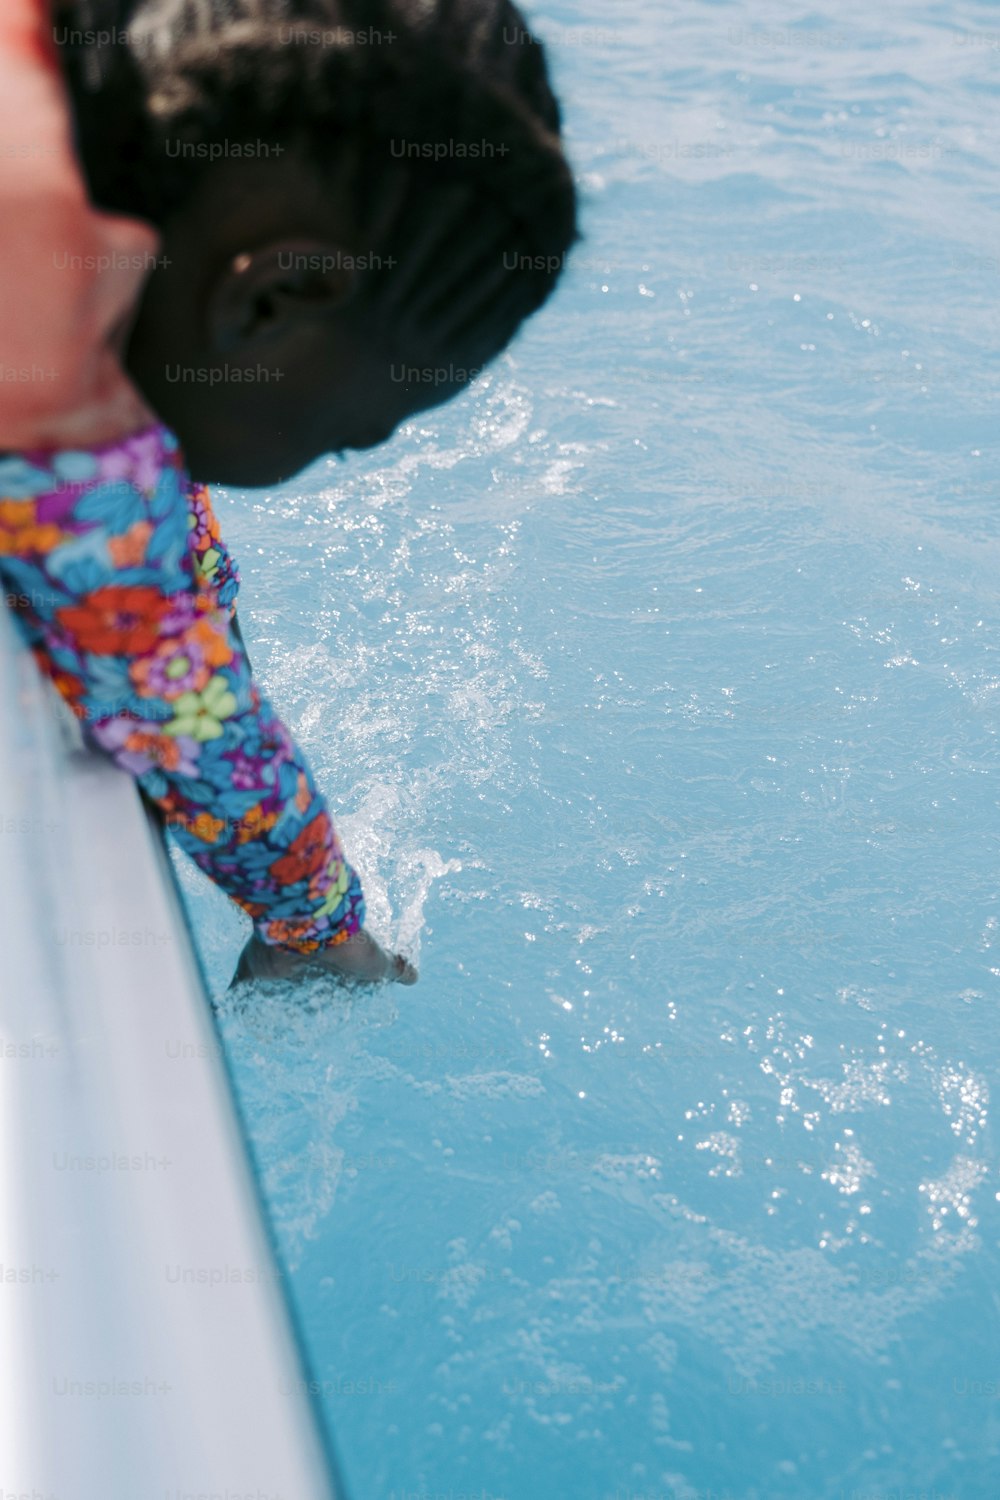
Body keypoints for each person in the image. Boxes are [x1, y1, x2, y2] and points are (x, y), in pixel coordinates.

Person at [0, 0, 578, 985]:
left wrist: (207, 615)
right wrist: (318, 927)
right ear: (269, 300)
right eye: (359, 431)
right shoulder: (44, 366)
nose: (351, 448)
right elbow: (164, 689)